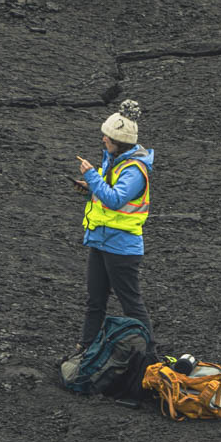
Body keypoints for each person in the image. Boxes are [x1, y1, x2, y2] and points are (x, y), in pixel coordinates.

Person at [74, 110, 155, 348]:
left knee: (131, 304)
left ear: (119, 142)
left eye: (107, 137)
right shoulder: (114, 161)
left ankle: (151, 358)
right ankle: (85, 348)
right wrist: (90, 188)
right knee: (95, 301)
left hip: (121, 247)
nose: (103, 140)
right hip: (101, 241)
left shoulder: (134, 170)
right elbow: (106, 195)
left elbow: (116, 199)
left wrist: (91, 175)